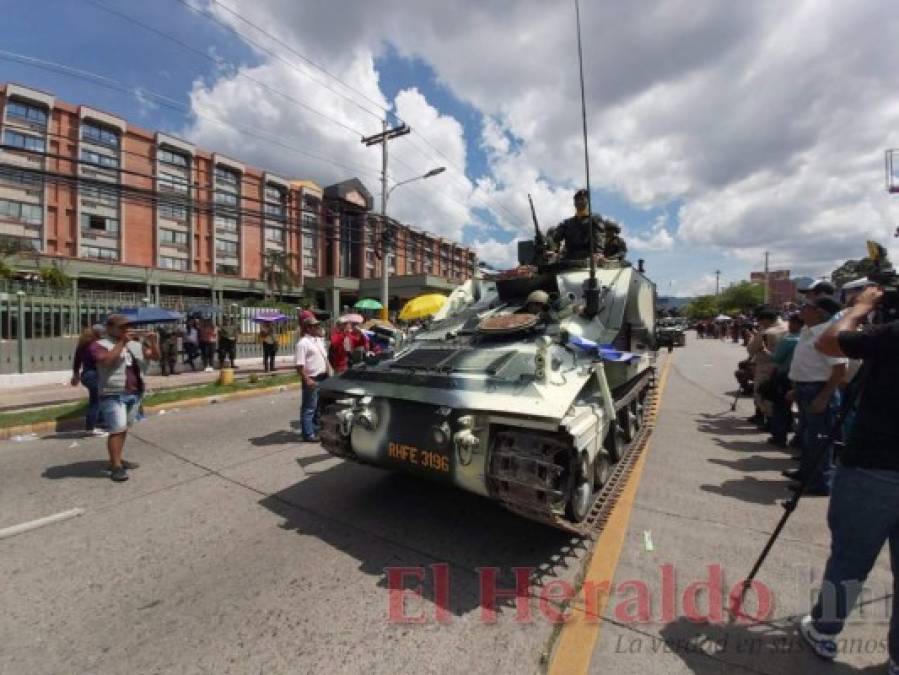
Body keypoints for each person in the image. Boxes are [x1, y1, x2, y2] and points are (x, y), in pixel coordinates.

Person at [798, 286, 899, 672]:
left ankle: (824, 630)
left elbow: (828, 342)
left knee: (851, 559)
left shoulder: (890, 335)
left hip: (876, 466)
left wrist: (859, 309)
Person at [785, 297, 847, 496]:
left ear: (819, 312)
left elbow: (840, 369)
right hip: (806, 389)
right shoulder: (807, 331)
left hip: (819, 391)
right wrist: (798, 388)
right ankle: (806, 473)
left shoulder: (828, 334)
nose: (801, 309)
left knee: (819, 440)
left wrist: (824, 396)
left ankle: (819, 482)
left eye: (806, 306)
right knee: (807, 437)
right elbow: (809, 364)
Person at [91, 314, 159, 482]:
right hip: (113, 393)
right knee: (117, 429)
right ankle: (115, 466)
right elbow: (105, 362)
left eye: (127, 326)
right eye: (121, 327)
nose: (126, 329)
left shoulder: (135, 345)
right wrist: (122, 343)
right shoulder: (99, 345)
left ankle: (117, 459)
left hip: (134, 392)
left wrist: (153, 342)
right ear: (109, 328)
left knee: (123, 428)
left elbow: (154, 357)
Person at [767, 312, 802, 448]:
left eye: (791, 323)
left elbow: (776, 359)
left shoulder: (789, 340)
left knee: (781, 406)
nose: (789, 325)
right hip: (801, 376)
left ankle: (779, 437)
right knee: (801, 410)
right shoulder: (806, 338)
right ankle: (796, 437)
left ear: (797, 324)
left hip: (785, 375)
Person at [295, 316, 329, 441]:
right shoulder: (303, 343)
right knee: (309, 407)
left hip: (323, 377)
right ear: (308, 328)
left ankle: (315, 429)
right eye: (314, 326)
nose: (317, 327)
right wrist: (307, 379)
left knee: (319, 406)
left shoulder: (317, 340)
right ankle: (308, 434)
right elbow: (299, 366)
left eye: (317, 325)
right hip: (312, 378)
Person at [549, 189, 608, 261]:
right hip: (569, 258)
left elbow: (599, 236)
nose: (579, 201)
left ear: (587, 201)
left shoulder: (595, 219)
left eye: (582, 199)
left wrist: (598, 252)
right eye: (577, 199)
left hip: (588, 258)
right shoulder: (567, 223)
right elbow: (556, 238)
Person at [71, 325, 106, 436]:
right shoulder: (94, 346)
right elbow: (99, 361)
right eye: (101, 333)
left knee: (98, 399)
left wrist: (76, 375)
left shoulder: (82, 345)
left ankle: (99, 421)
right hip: (94, 375)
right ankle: (90, 428)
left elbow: (76, 361)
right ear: (96, 334)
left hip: (86, 375)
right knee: (95, 402)